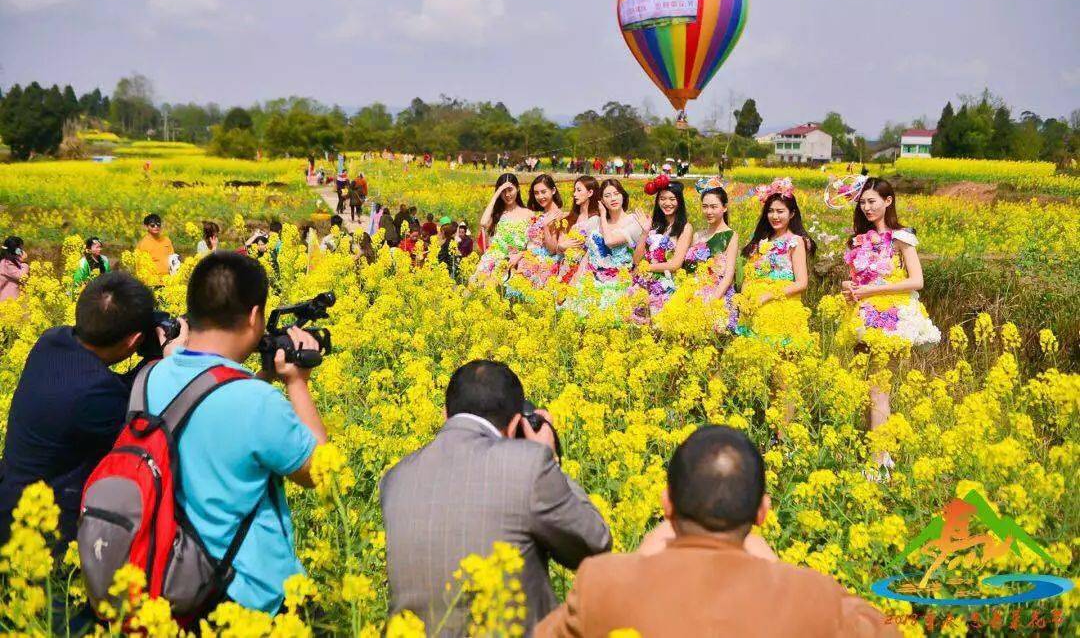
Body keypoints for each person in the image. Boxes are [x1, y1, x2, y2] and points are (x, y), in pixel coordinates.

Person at [536, 426, 897, 637]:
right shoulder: (816, 597)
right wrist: (772, 564)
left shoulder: (601, 583)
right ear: (762, 513)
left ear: (667, 505)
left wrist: (638, 563)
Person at [143, 252, 327, 613]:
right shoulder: (255, 401)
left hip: (174, 582)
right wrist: (297, 383)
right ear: (255, 316)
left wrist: (263, 378)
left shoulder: (150, 378)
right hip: (251, 596)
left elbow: (207, 410)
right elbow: (319, 469)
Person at [381, 360, 611, 632]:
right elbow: (595, 544)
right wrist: (548, 457)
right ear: (516, 424)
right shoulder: (530, 465)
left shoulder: (395, 477)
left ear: (445, 415)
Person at [0, 272, 181, 546]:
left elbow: (110, 386)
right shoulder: (94, 395)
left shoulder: (51, 340)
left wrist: (157, 358)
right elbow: (150, 425)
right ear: (134, 341)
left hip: (10, 501)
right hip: (40, 533)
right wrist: (171, 363)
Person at [840, 178, 940, 471]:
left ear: (888, 201)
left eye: (873, 201)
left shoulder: (901, 238)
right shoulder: (858, 240)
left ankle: (878, 461)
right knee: (865, 388)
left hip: (891, 318)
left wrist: (871, 291)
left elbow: (917, 280)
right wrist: (851, 288)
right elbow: (857, 281)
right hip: (863, 316)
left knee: (878, 388)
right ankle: (876, 451)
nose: (867, 207)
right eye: (863, 202)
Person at [736, 178, 815, 349]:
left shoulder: (795, 241)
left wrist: (768, 295)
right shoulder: (761, 242)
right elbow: (750, 275)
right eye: (770, 211)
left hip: (781, 308)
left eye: (780, 211)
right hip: (754, 310)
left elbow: (802, 283)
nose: (775, 216)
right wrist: (744, 300)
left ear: (792, 214)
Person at [567, 178, 643, 310]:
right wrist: (574, 280)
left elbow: (609, 242)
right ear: (602, 201)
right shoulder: (594, 221)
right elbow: (589, 254)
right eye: (607, 196)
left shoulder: (633, 221)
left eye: (616, 193)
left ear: (623, 196)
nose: (613, 198)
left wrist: (602, 215)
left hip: (618, 283)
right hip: (591, 280)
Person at [630, 177, 693, 320]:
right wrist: (645, 232)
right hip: (643, 283)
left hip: (667, 285)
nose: (667, 203)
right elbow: (636, 259)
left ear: (679, 202)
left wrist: (646, 268)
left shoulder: (685, 228)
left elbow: (675, 264)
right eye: (663, 199)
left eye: (672, 199)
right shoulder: (653, 225)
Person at [682, 179, 739, 332]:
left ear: (725, 208)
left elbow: (728, 276)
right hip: (693, 292)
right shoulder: (698, 235)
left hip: (716, 295)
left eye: (714, 207)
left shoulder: (730, 235)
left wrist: (711, 302)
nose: (709, 211)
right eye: (705, 207)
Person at [473, 174, 534, 284]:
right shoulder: (497, 214)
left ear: (518, 189)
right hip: (493, 260)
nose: (507, 194)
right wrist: (496, 194)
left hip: (516, 262)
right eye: (503, 191)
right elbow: (483, 223)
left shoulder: (529, 214)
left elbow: (533, 244)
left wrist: (520, 256)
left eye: (510, 190)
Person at [515, 174, 565, 289]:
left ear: (553, 191)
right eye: (536, 193)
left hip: (543, 266)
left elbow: (553, 249)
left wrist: (546, 227)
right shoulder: (542, 215)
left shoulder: (557, 216)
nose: (539, 196)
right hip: (529, 261)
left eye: (543, 192)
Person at [552, 176, 600, 283]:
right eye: (574, 190)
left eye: (579, 190)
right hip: (564, 267)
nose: (574, 194)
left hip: (582, 272)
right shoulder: (570, 218)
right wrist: (561, 246)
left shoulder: (595, 220)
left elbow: (592, 250)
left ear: (590, 193)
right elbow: (559, 248)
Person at [136, 213, 175, 279]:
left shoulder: (167, 240)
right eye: (152, 225)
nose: (156, 227)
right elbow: (139, 266)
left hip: (168, 281)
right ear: (146, 226)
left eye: (158, 224)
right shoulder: (143, 244)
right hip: (152, 282)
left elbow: (173, 259)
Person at [0, 236, 30, 301]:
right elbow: (22, 276)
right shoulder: (7, 264)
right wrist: (24, 262)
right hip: (7, 303)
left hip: (13, 302)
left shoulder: (10, 261)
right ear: (16, 250)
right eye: (21, 248)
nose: (22, 250)